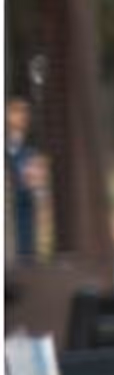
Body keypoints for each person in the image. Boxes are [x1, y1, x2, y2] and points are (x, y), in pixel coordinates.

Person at [5, 96, 44, 258]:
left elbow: (39, 194)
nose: (22, 115)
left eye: (25, 111)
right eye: (16, 110)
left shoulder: (31, 154)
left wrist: (35, 186)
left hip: (24, 230)